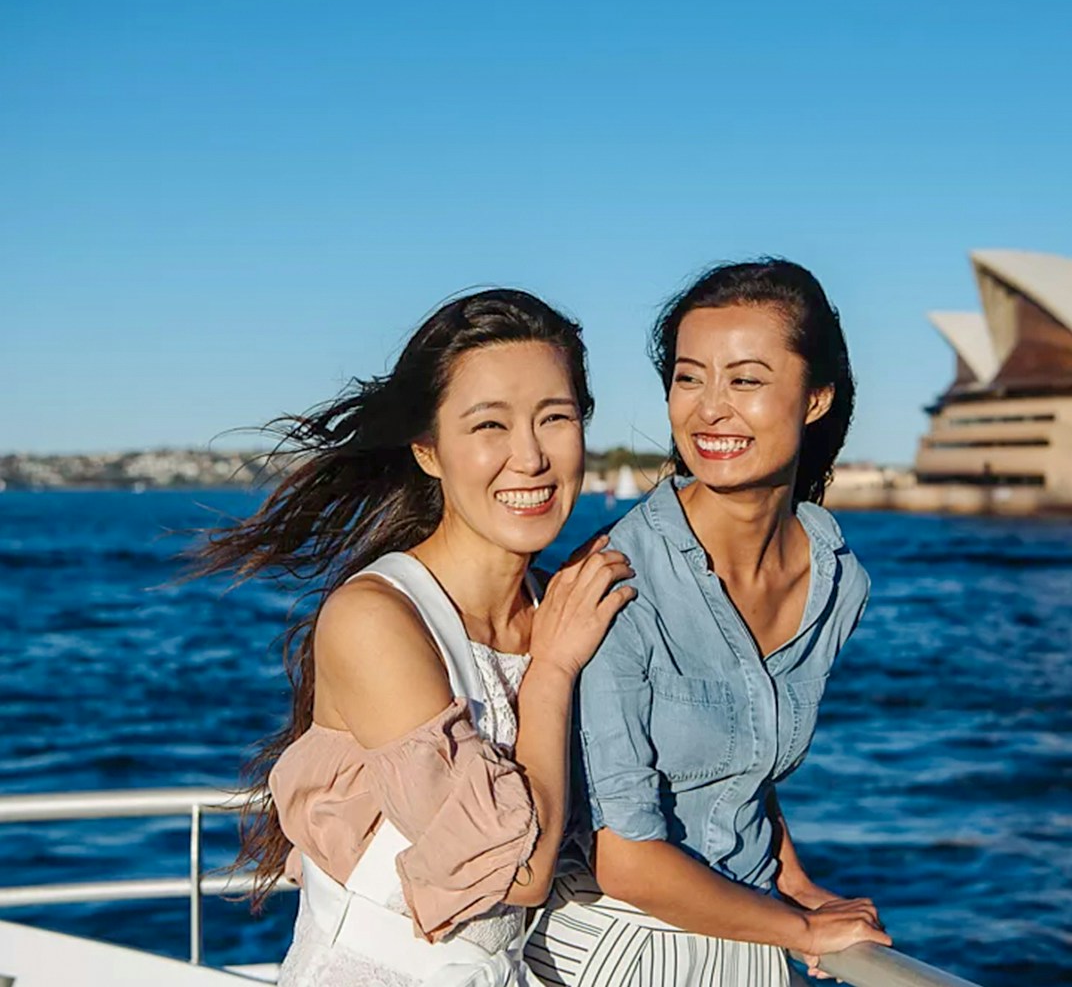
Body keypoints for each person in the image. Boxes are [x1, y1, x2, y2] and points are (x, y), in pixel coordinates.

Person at [197, 289, 635, 987]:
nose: (530, 457)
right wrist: (551, 671)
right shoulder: (376, 618)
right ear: (429, 451)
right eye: (489, 425)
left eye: (554, 418)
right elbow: (515, 874)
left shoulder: (559, 606)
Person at [524, 260, 891, 985]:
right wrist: (800, 925)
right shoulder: (615, 576)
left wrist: (797, 882)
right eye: (690, 378)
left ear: (815, 398)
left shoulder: (837, 578)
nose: (709, 409)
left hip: (750, 936)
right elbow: (622, 855)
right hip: (620, 946)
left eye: (745, 380)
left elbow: (742, 762)